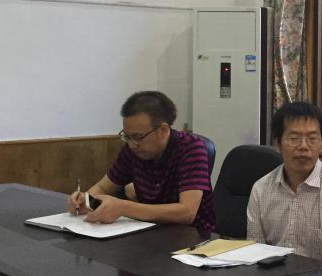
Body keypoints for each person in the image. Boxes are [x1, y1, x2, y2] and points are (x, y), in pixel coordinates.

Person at [66, 90, 215, 231]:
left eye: (138, 137)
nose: (132, 144)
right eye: (127, 136)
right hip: (149, 231)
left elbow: (187, 212)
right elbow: (104, 188)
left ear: (163, 130)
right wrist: (85, 201)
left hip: (193, 237)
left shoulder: (191, 148)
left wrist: (124, 207)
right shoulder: (133, 150)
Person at [247, 101, 322, 269]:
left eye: (312, 139)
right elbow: (255, 253)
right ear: (277, 143)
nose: (303, 146)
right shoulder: (261, 189)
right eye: (294, 138)